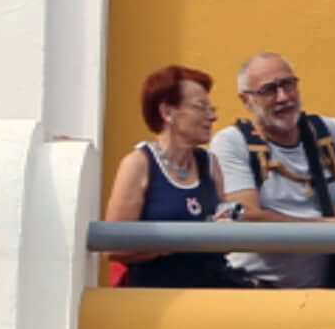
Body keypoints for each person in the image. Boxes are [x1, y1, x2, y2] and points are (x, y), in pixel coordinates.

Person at [214, 49, 335, 285]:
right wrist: (323, 229)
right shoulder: (232, 142)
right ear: (246, 100)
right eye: (269, 90)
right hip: (254, 293)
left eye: (288, 85)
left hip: (325, 296)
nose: (283, 97)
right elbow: (245, 216)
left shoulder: (325, 132)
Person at [102, 66, 238, 286]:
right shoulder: (138, 164)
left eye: (211, 108)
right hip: (155, 299)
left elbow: (223, 235)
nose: (213, 117)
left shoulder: (210, 163)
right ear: (167, 112)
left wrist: (226, 227)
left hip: (209, 293)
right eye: (201, 107)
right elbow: (113, 246)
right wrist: (185, 239)